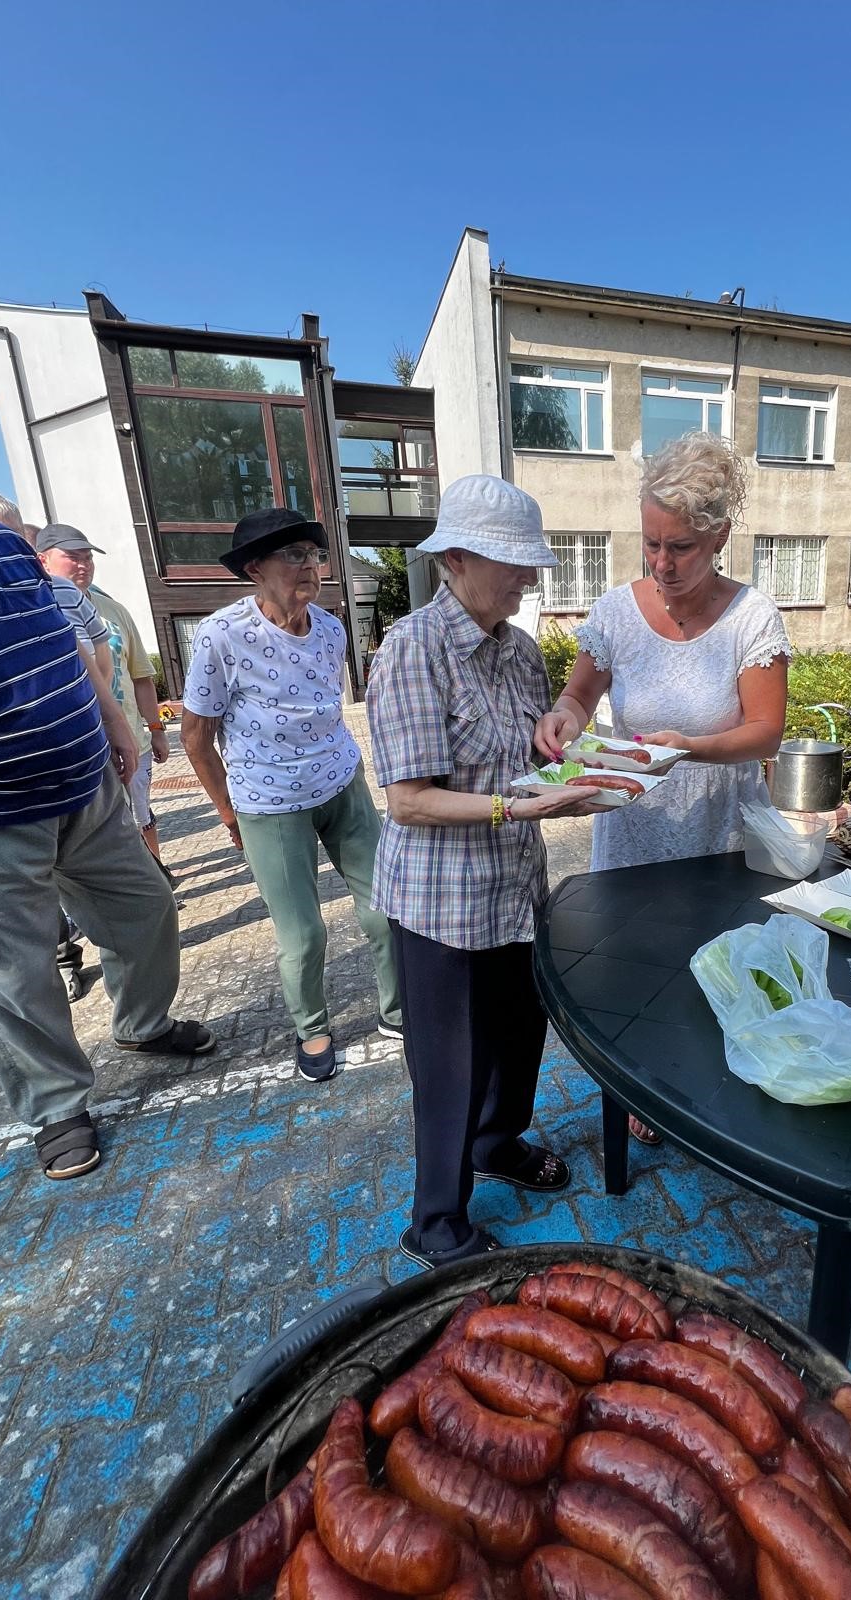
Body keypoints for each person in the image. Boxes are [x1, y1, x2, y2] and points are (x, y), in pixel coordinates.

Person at [367, 475, 598, 1269]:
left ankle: (497, 1143)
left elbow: (529, 760)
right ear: (457, 558)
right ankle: (435, 1222)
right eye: (515, 563)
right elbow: (409, 802)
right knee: (449, 1063)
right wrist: (516, 809)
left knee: (518, 1033)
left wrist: (570, 756)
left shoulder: (520, 651)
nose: (530, 579)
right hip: (441, 903)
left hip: (512, 891)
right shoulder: (412, 649)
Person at [534, 434, 790, 1140]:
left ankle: (708, 1084)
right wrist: (563, 716)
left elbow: (766, 732)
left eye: (679, 547)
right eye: (651, 543)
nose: (661, 562)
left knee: (714, 959)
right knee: (631, 966)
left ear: (719, 538)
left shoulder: (751, 616)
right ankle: (638, 1088)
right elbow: (579, 697)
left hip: (718, 827)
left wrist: (693, 747)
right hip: (633, 823)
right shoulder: (617, 611)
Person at [0, 490, 214, 1181]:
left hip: (87, 785)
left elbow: (74, 645)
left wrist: (113, 716)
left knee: (145, 909)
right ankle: (56, 1106)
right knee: (17, 972)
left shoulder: (7, 549)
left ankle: (141, 1025)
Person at [182, 507, 401, 1082]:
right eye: (294, 555)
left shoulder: (329, 628)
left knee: (387, 909)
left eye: (315, 554)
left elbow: (327, 708)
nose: (311, 566)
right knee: (303, 934)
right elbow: (196, 737)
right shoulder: (221, 636)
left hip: (342, 784)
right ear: (255, 567)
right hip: (269, 803)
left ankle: (399, 1010)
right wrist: (229, 812)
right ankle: (313, 1029)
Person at [35, 523, 174, 879]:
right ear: (43, 560)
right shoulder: (34, 611)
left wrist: (156, 729)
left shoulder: (115, 611)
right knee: (93, 834)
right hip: (78, 747)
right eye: (72, 557)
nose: (83, 564)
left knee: (141, 816)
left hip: (132, 740)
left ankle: (156, 878)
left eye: (88, 557)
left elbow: (141, 677)